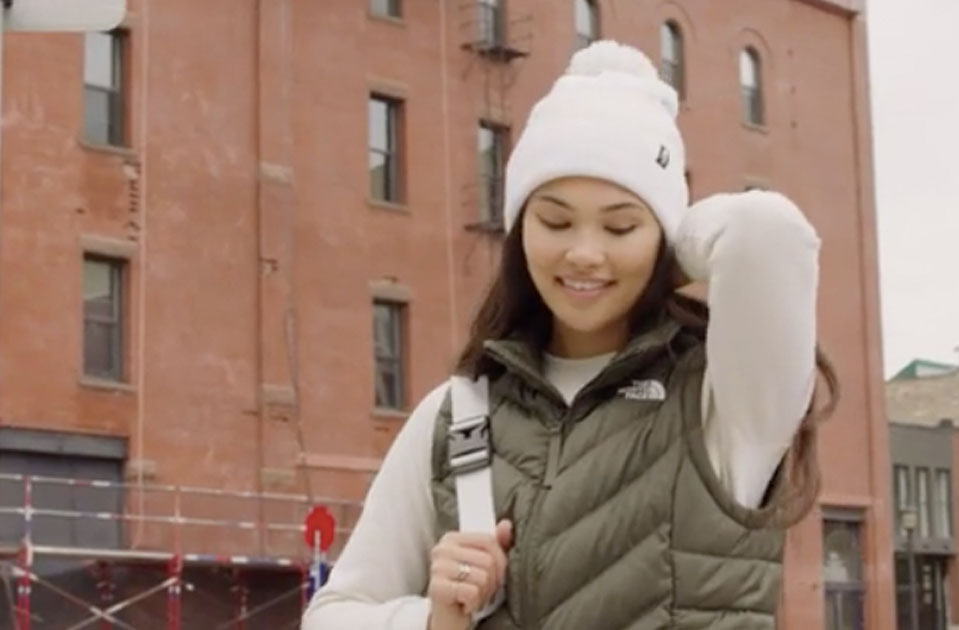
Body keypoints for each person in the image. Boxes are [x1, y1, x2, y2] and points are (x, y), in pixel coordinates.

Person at [302, 40, 837, 630]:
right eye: (555, 220)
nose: (584, 253)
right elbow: (331, 616)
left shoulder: (726, 404)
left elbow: (770, 234)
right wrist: (431, 621)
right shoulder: (460, 414)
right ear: (520, 230)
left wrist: (662, 250)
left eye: (620, 225)